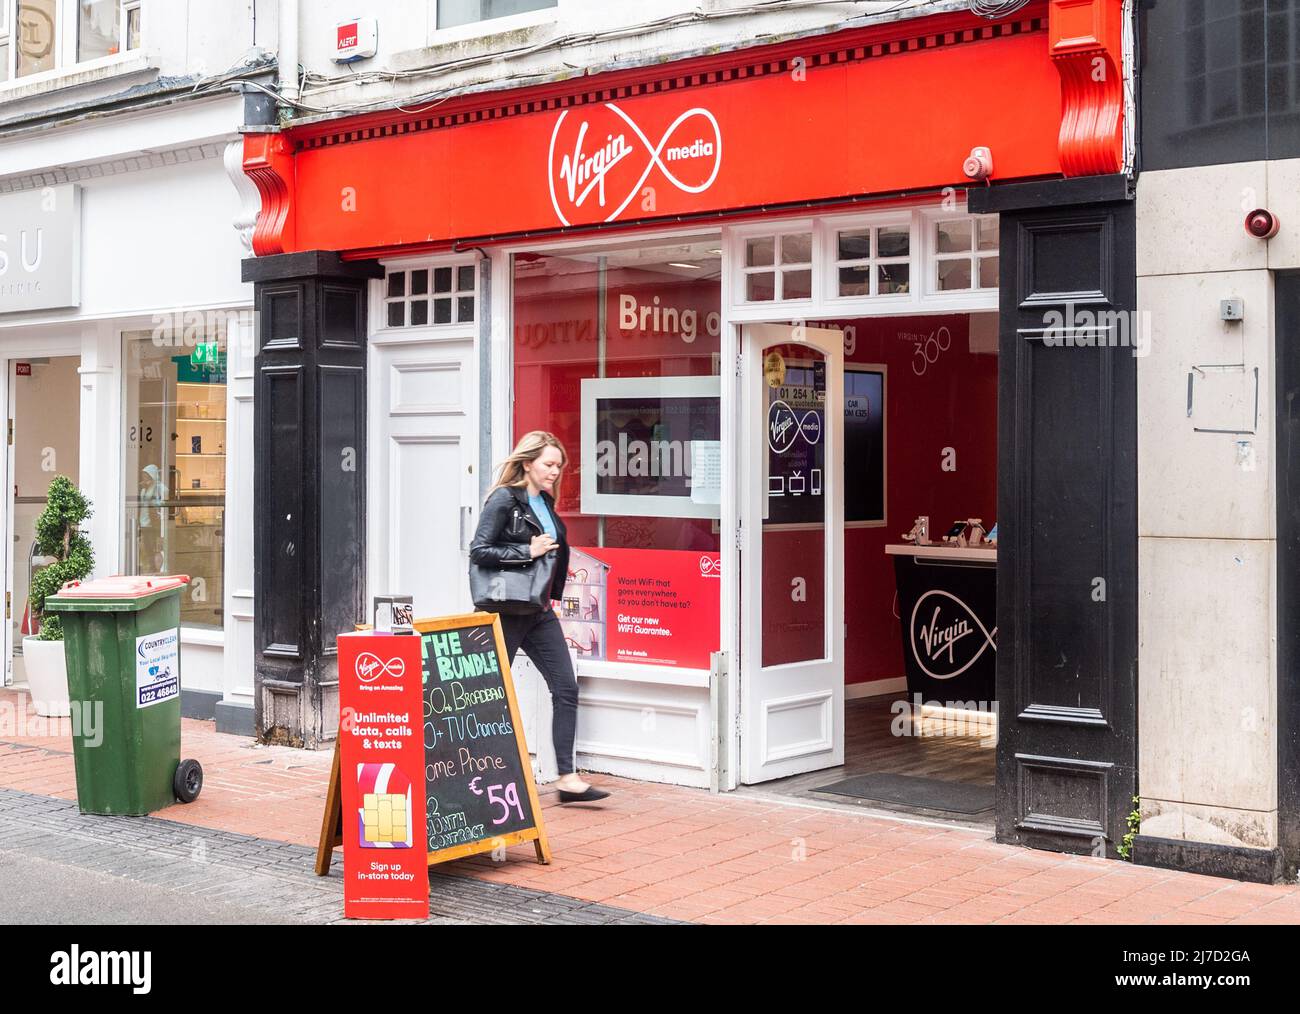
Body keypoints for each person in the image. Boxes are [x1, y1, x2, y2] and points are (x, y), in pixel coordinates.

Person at [469, 431, 610, 804]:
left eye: (559, 465)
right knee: (488, 693)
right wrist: (525, 549)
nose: (555, 471)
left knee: (566, 687)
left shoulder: (545, 501)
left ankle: (567, 778)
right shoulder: (504, 499)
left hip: (538, 609)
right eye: (549, 464)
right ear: (528, 463)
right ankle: (479, 773)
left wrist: (556, 596)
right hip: (505, 610)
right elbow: (479, 550)